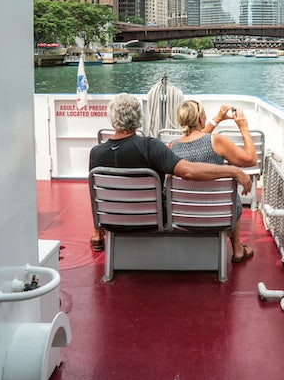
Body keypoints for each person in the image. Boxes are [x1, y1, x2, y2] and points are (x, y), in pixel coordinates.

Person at [89, 93, 252, 251]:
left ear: (112, 121)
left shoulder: (96, 153)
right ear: (139, 118)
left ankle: (97, 234)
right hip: (149, 220)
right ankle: (236, 247)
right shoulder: (150, 147)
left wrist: (98, 230)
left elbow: (96, 194)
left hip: (110, 222)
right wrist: (233, 171)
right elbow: (188, 171)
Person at [171, 100, 257, 263]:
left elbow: (196, 140)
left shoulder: (171, 147)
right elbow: (251, 159)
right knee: (233, 196)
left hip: (183, 219)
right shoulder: (217, 141)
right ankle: (237, 249)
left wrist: (216, 119)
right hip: (221, 218)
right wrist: (243, 128)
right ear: (201, 119)